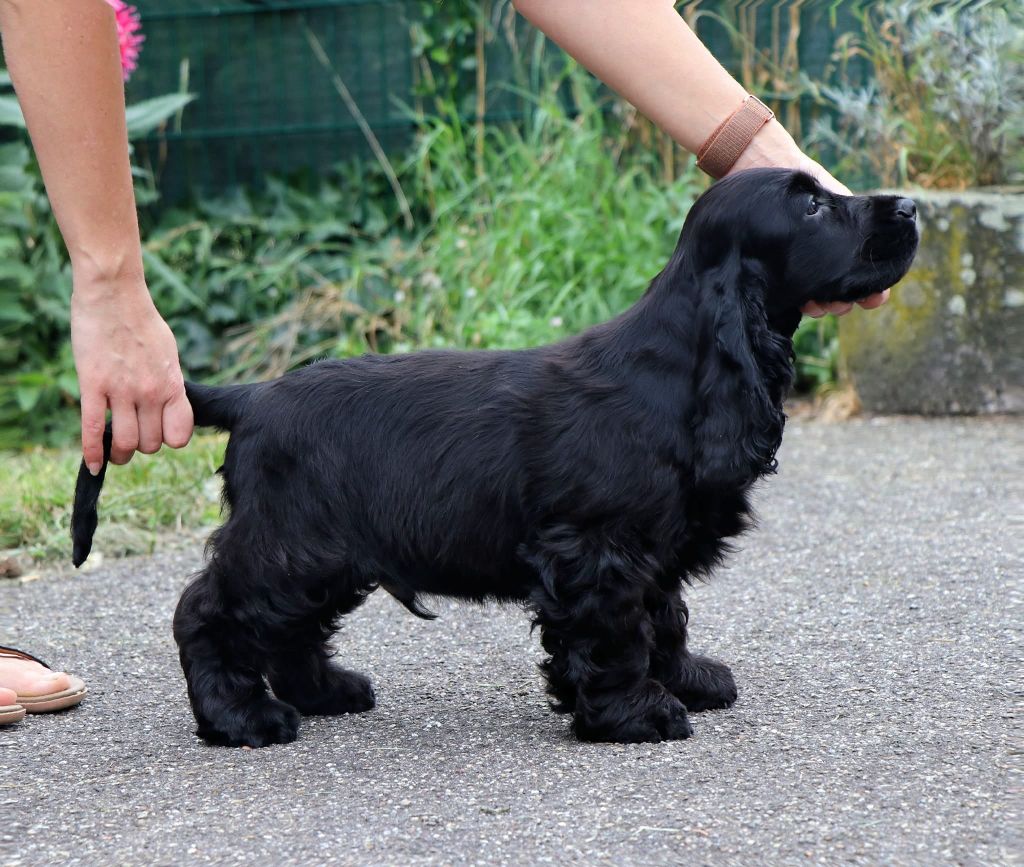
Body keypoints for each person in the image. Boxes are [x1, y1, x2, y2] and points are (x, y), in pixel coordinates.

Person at [0, 0, 889, 722]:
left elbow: (641, 546)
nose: (870, 214)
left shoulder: (655, 391)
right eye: (813, 209)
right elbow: (594, 560)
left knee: (626, 538)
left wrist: (761, 153)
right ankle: (224, 662)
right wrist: (612, 692)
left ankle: (313, 666)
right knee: (286, 565)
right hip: (326, 432)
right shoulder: (623, 401)